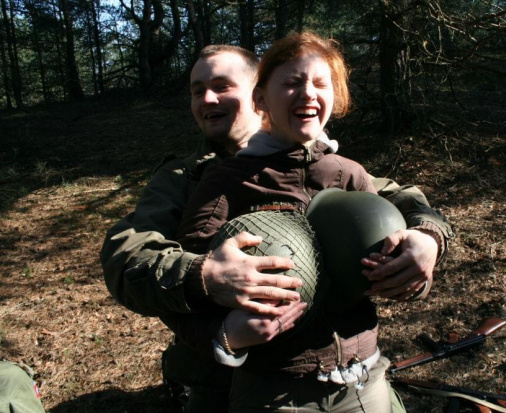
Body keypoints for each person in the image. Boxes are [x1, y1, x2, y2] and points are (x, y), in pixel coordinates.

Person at [100, 41, 453, 411]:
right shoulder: (186, 177)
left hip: (354, 376)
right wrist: (204, 277)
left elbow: (403, 204)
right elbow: (128, 255)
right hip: (229, 380)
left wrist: (427, 240)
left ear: (256, 95)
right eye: (196, 91)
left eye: (222, 86)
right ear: (265, 95)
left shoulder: (334, 168)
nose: (207, 99)